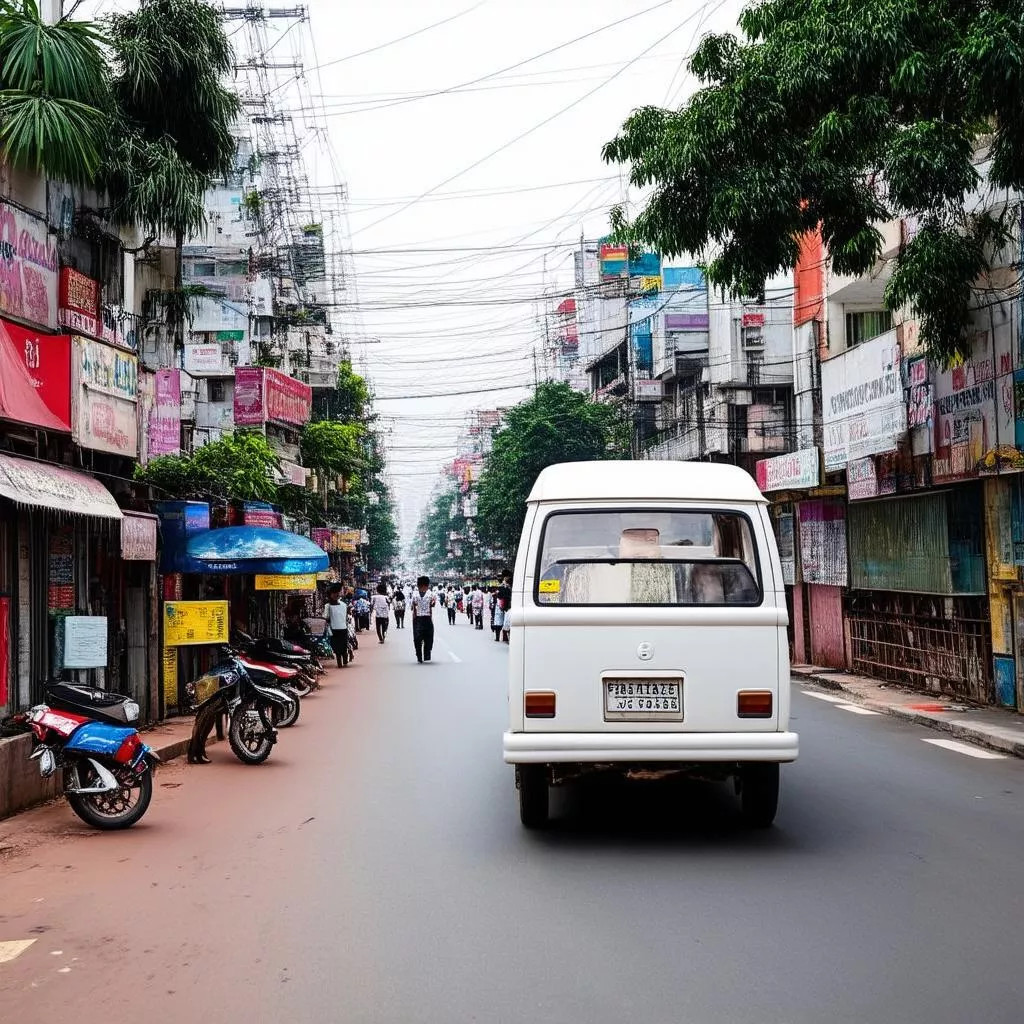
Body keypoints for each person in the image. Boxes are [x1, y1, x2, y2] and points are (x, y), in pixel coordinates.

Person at [411, 575, 436, 663]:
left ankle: (419, 656)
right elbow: (433, 605)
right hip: (427, 618)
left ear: (418, 585)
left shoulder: (414, 594)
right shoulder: (432, 594)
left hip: (417, 618)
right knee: (429, 637)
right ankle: (426, 655)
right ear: (428, 584)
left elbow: (412, 607)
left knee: (417, 638)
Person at [326, 585, 349, 668]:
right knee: (342, 646)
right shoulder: (343, 604)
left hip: (337, 628)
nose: (335, 595)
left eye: (336, 593)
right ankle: (343, 661)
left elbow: (325, 617)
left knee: (339, 646)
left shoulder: (328, 606)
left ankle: (341, 662)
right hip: (340, 628)